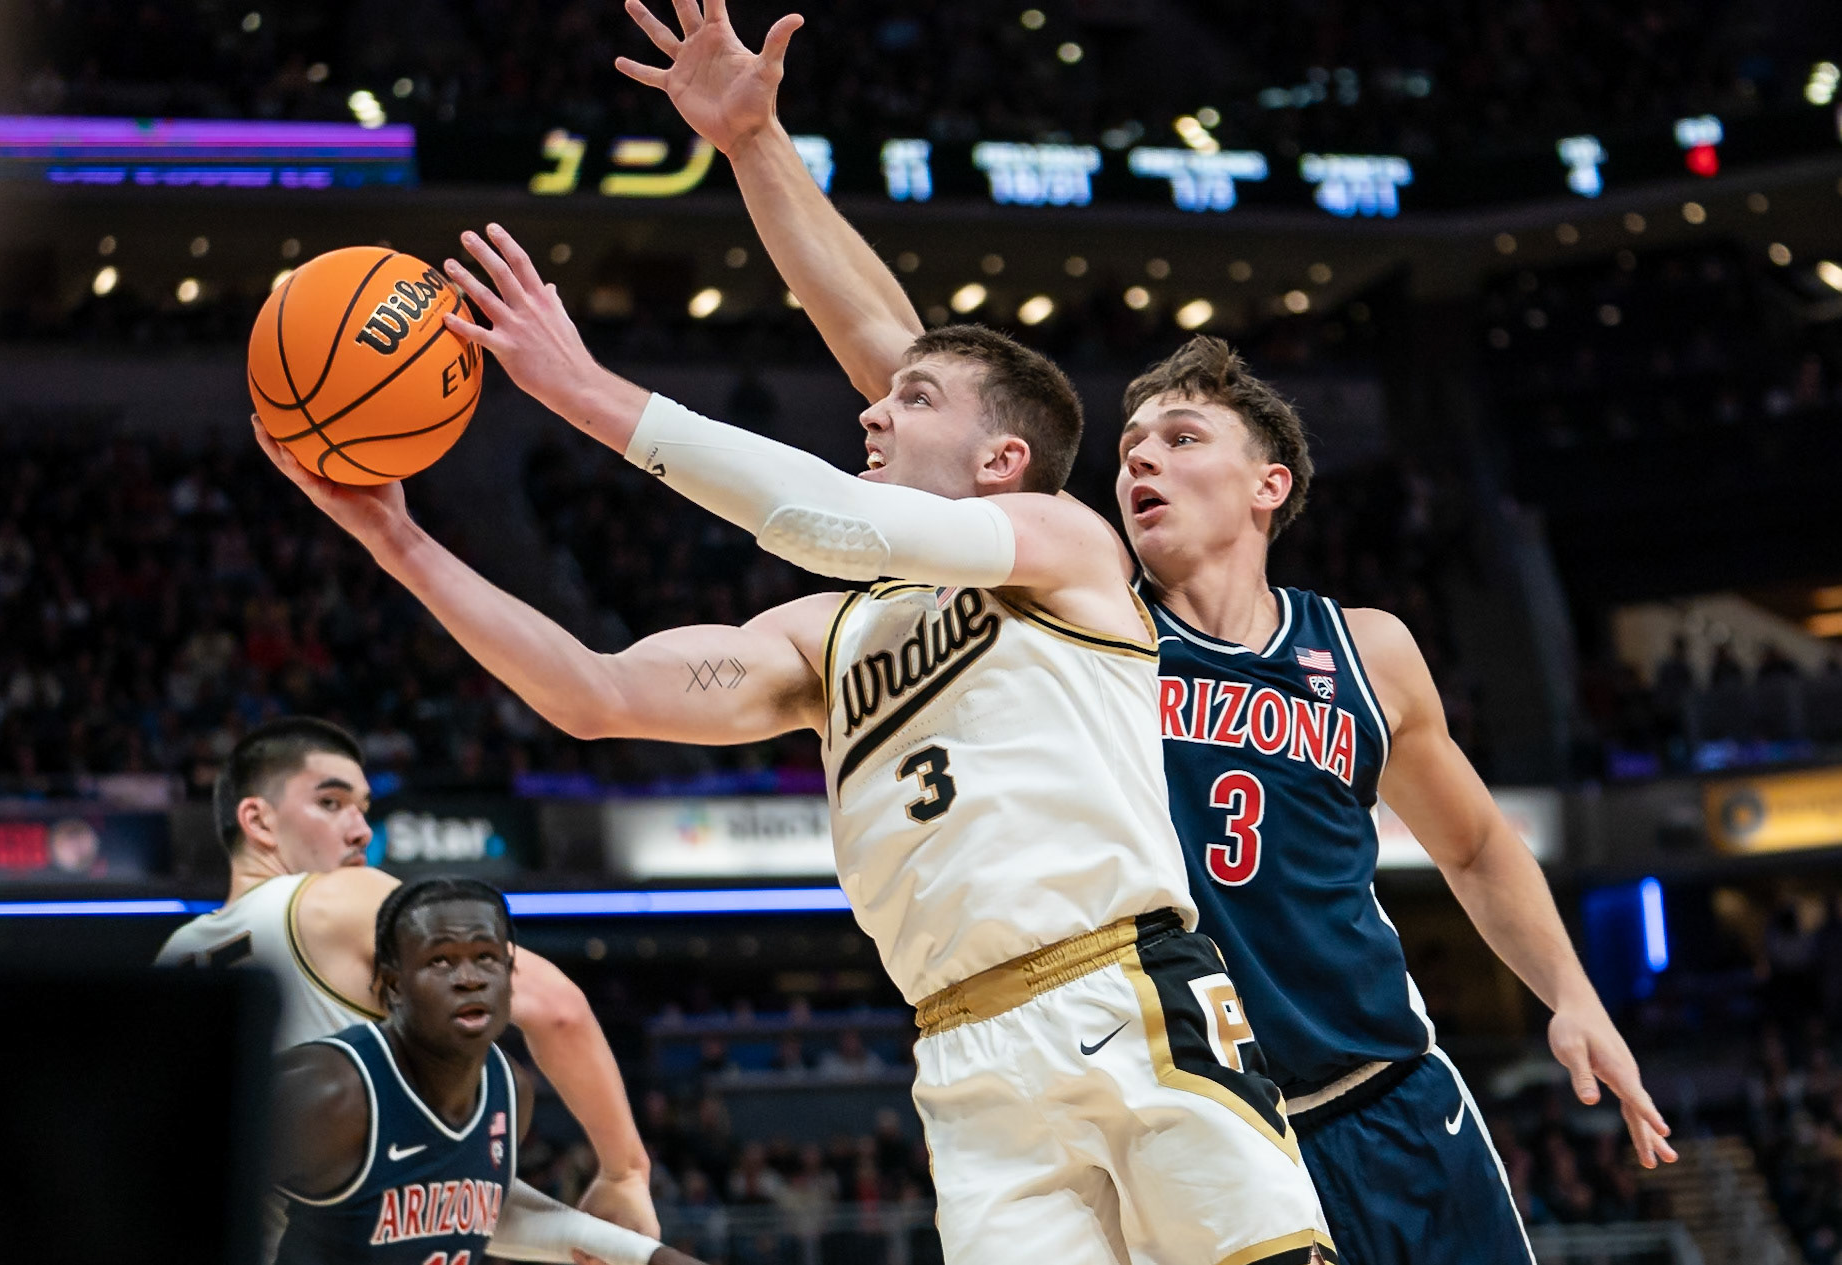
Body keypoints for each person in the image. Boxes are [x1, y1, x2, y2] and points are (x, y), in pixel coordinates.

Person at [609, 4, 1676, 1262]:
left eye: (1180, 438)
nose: (1139, 462)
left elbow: (1479, 844)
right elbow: (895, 356)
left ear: (1271, 482)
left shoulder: (1365, 649)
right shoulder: (1077, 611)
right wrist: (756, 146)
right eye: (1128, 446)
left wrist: (1573, 994)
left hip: (1392, 1095)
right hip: (1204, 1109)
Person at [256, 235, 1337, 1262]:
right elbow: (593, 692)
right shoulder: (825, 638)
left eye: (915, 399)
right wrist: (395, 538)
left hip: (1122, 989)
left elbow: (824, 519)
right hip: (962, 1049)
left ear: (1003, 458)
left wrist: (581, 387)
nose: (873, 411)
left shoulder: (1063, 544)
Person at [156, 716, 659, 1238]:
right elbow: (557, 1010)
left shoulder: (176, 955)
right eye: (331, 803)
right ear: (258, 821)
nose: (361, 830)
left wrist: (577, 1235)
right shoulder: (340, 898)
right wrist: (624, 1171)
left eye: (362, 807)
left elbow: (403, 1198)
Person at [273, 876, 707, 1265]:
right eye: (440, 960)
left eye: (485, 957)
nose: (469, 979)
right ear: (393, 984)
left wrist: (647, 1256)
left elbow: (478, 1214)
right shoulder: (329, 1091)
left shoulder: (509, 1090)